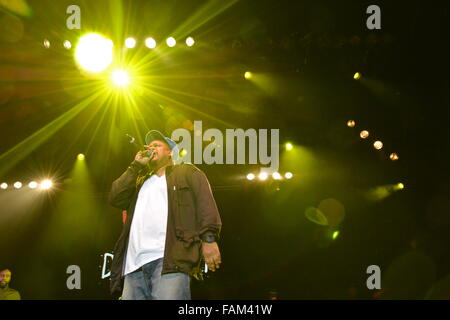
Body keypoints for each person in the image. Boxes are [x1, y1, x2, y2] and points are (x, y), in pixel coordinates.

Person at [108, 130, 222, 300]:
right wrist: (135, 165)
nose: (151, 148)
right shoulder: (139, 181)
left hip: (170, 262)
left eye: (157, 145)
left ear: (170, 151)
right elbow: (115, 197)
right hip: (134, 266)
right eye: (150, 146)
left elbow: (205, 204)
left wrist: (209, 239)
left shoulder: (186, 172)